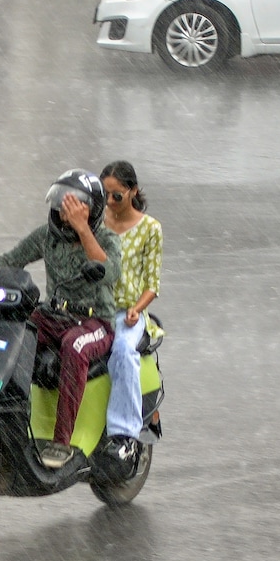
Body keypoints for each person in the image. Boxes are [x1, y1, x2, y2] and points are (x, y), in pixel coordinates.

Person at [0, 169, 121, 469]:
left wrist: (83, 229)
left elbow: (109, 272)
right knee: (11, 328)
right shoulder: (49, 237)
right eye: (62, 204)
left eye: (74, 206)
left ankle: (62, 441)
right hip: (53, 314)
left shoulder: (105, 239)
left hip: (94, 322)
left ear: (93, 210)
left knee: (74, 347)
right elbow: (12, 257)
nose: (64, 212)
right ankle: (6, 419)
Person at [99, 161, 165, 463]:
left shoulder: (150, 229)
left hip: (126, 313)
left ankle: (123, 435)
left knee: (124, 350)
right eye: (104, 195)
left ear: (133, 191)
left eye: (117, 195)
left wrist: (137, 310)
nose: (110, 202)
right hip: (94, 309)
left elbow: (152, 284)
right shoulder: (96, 224)